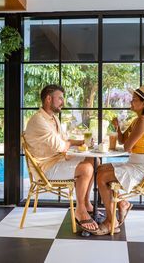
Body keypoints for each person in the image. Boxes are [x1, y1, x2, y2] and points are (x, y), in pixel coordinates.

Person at [24, 84, 99, 232]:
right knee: (86, 168)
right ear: (48, 99)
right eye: (60, 98)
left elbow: (65, 140)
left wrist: (82, 142)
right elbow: (61, 146)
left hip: (58, 161)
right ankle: (80, 209)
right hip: (45, 169)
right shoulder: (38, 120)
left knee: (94, 161)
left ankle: (86, 203)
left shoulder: (53, 120)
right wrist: (70, 143)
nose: (63, 102)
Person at [96, 85, 144, 235]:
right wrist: (118, 128)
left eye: (134, 99)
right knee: (101, 169)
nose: (131, 101)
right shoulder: (138, 120)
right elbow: (123, 141)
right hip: (135, 163)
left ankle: (111, 220)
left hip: (143, 168)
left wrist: (127, 137)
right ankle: (122, 203)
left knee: (102, 177)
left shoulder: (143, 121)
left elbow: (128, 146)